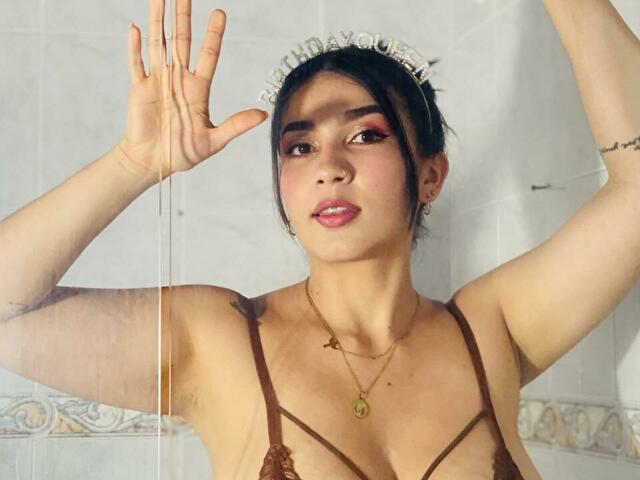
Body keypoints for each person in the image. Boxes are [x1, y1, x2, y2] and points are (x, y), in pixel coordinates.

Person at [1, 0, 639, 478]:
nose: (329, 167)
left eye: (365, 135)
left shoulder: (491, 331)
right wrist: (134, 164)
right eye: (300, 147)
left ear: (430, 175)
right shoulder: (219, 340)